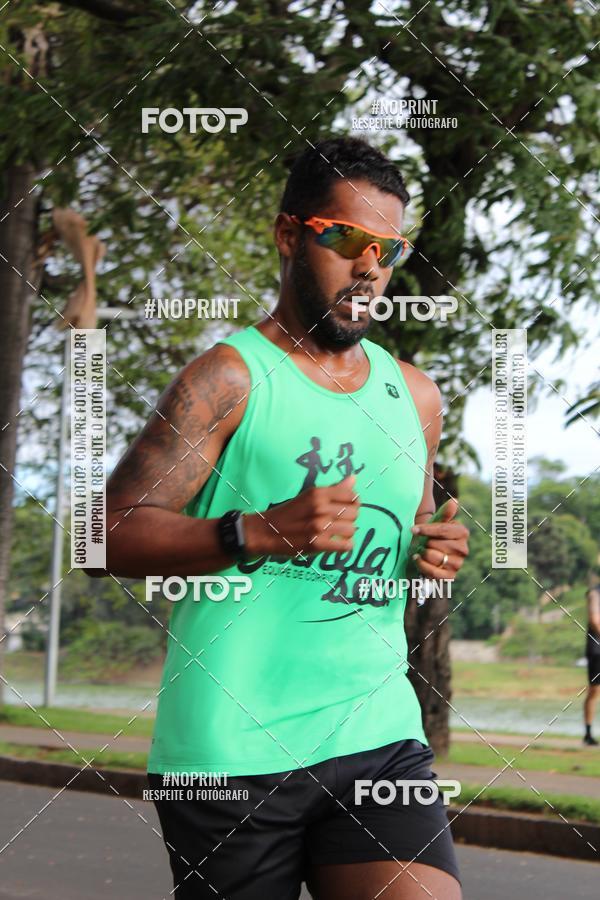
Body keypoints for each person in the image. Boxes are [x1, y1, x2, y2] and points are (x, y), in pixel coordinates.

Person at [94, 137, 470, 899]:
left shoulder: (417, 396)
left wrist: (432, 549)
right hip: (230, 748)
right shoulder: (227, 379)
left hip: (374, 732)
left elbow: (409, 530)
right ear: (290, 235)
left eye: (389, 248)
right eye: (346, 240)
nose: (371, 266)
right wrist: (253, 531)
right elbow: (104, 533)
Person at [584, 576, 600, 746]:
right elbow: (595, 621)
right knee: (595, 690)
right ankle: (588, 734)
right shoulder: (594, 593)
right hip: (597, 649)